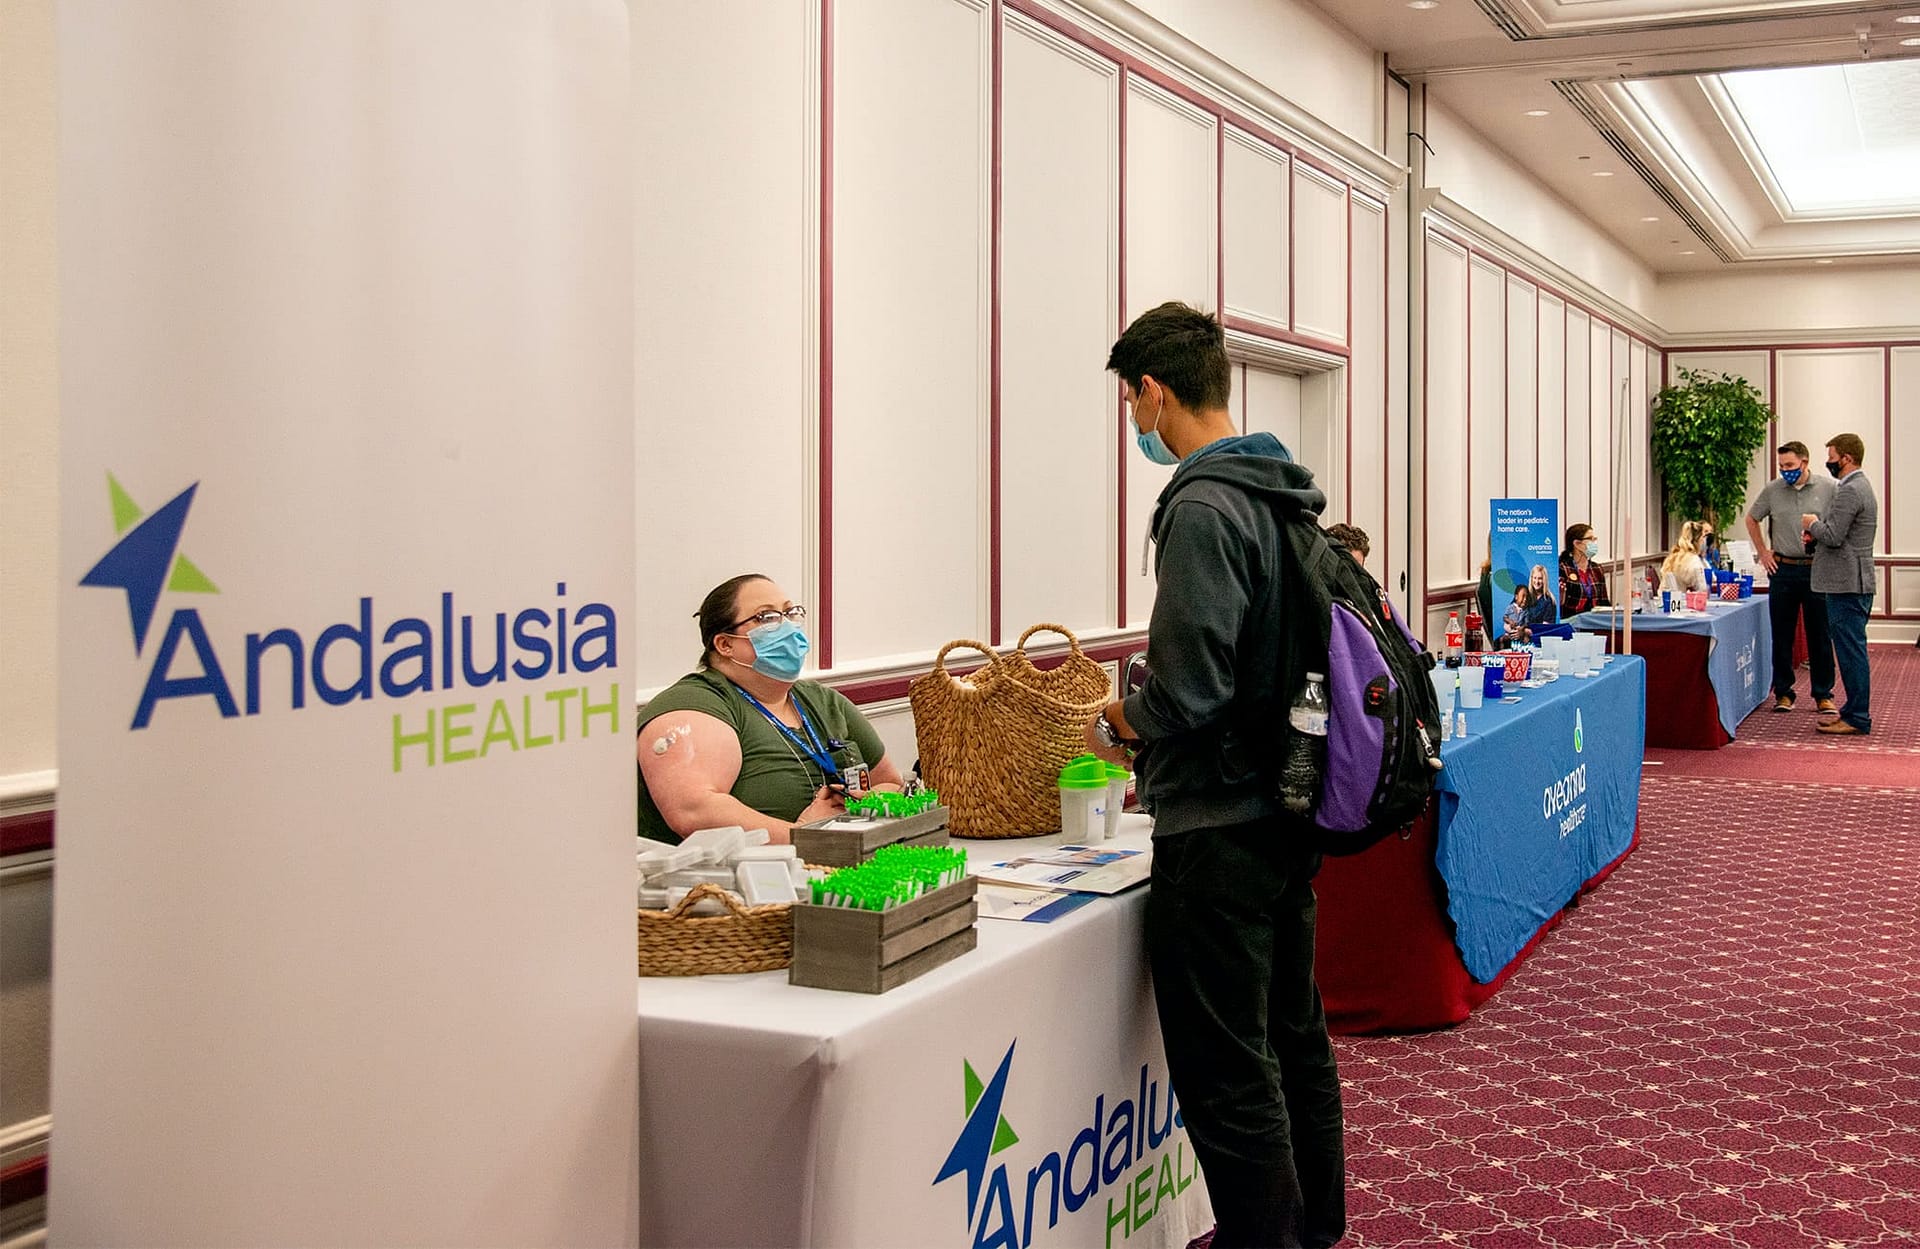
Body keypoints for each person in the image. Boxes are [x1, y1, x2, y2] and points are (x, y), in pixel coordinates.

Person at [1082, 301, 1344, 1249]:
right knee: (1295, 1039)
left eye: (1129, 404)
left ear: (1153, 391)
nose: (1134, 426)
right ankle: (1318, 1228)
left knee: (1231, 1074)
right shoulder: (1287, 494)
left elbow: (1190, 688)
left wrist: (1125, 716)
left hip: (1216, 825)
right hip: (1288, 803)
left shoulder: (1201, 503)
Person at [635, 574, 904, 843]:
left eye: (789, 613)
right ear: (725, 644)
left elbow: (892, 783)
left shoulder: (824, 701)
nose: (786, 626)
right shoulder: (695, 705)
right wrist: (805, 838)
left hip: (848, 865)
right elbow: (694, 812)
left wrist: (870, 803)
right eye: (767, 617)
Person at [1744, 441, 1838, 714]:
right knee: (1781, 634)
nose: (1786, 471)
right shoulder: (1773, 490)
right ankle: (1784, 692)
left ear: (1805, 463)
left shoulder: (1828, 489)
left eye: (1790, 466)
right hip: (1782, 569)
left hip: (1816, 568)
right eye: (1782, 466)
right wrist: (1763, 552)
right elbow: (1752, 519)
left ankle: (1823, 694)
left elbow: (1837, 525)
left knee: (1819, 634)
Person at [1802, 434, 1879, 736]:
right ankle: (1852, 711)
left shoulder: (1850, 490)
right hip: (1852, 580)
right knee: (1851, 650)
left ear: (1846, 458)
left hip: (1847, 583)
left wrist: (1811, 523)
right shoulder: (1859, 486)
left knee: (1850, 653)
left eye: (1832, 456)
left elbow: (1833, 536)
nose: (1829, 461)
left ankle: (1857, 716)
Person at [1558, 523, 1612, 616]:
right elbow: (1560, 605)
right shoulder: (1563, 568)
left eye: (1594, 539)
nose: (1594, 542)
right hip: (1572, 621)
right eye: (1590, 539)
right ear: (1577, 544)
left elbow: (1604, 602)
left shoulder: (1597, 568)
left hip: (1596, 621)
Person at [1660, 521, 1710, 594]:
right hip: (1682, 603)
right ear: (1697, 540)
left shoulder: (1672, 557)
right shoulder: (1694, 561)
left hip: (1665, 601)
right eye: (1703, 537)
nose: (1704, 541)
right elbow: (1702, 589)